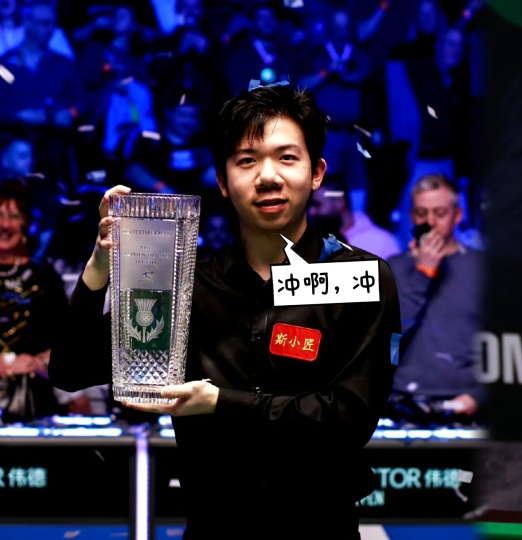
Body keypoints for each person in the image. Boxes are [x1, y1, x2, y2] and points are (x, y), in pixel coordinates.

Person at [48, 84, 401, 538]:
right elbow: (71, 369)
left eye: (287, 158)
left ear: (316, 172)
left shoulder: (359, 278)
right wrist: (99, 267)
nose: (268, 176)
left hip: (321, 526)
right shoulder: (187, 286)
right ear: (221, 180)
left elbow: (347, 420)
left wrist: (219, 403)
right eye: (247, 160)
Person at [386, 173, 483, 426]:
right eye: (421, 213)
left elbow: (505, 344)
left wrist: (479, 396)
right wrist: (422, 273)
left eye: (440, 213)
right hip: (400, 404)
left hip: (462, 403)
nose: (430, 222)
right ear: (412, 217)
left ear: (457, 215)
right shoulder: (392, 269)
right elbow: (382, 340)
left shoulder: (482, 269)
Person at [0, 179, 69, 422]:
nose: (5, 225)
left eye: (14, 216)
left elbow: (69, 343)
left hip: (31, 400)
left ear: (26, 222)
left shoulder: (44, 276)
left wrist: (36, 362)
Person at [309, 174, 401, 260]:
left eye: (317, 205)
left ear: (340, 202)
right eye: (308, 206)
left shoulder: (381, 243)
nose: (311, 212)